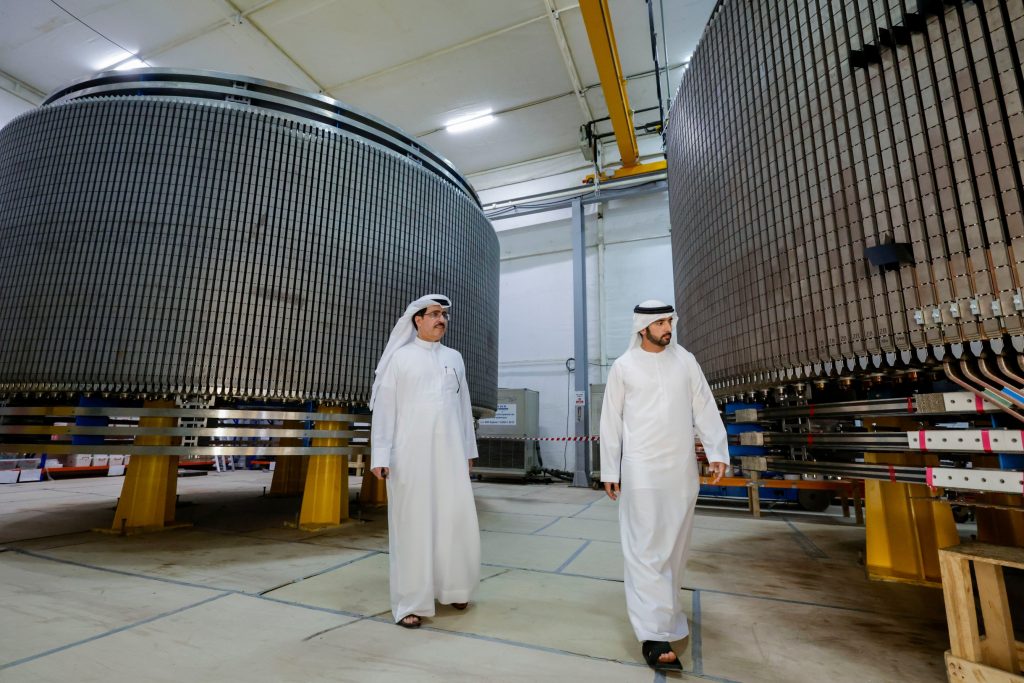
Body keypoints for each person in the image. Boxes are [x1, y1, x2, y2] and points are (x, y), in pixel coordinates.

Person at [599, 299, 729, 671]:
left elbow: (704, 405)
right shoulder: (624, 367)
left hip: (680, 469)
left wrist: (717, 450)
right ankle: (653, 634)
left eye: (669, 321)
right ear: (643, 328)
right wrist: (610, 470)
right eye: (660, 323)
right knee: (645, 549)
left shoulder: (685, 360)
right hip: (641, 469)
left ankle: (667, 616)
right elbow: (611, 420)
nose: (668, 328)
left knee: (674, 547)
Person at [369, 294, 481, 629]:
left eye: (444, 314)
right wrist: (381, 454)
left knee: (454, 520)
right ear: (417, 319)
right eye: (434, 314)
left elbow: (463, 407)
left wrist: (468, 451)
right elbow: (385, 409)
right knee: (413, 526)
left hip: (451, 455)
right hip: (409, 456)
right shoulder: (400, 359)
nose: (441, 319)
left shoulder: (454, 357)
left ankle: (454, 589)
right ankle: (411, 602)